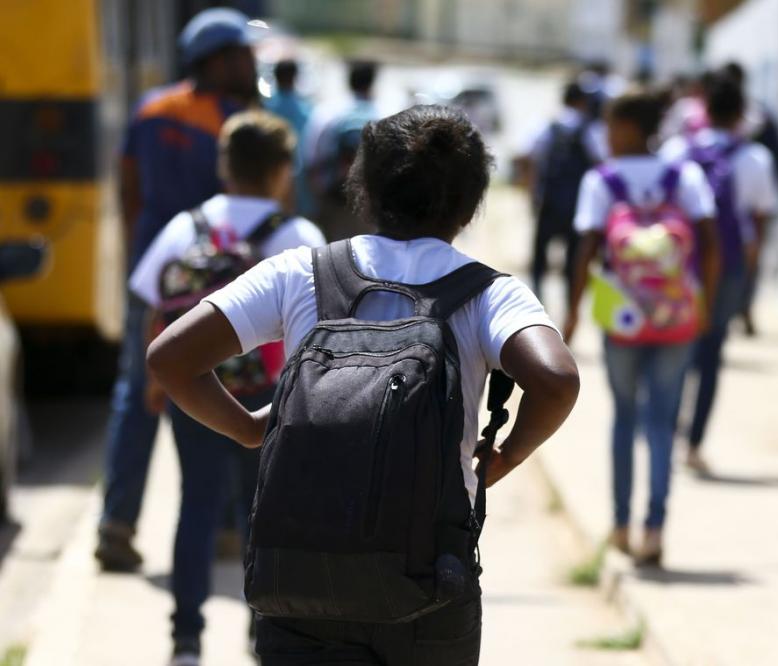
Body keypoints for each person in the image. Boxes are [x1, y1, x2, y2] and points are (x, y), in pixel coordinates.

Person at [145, 104, 579, 665]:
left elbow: (171, 358)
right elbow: (557, 379)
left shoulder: (299, 272)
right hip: (428, 585)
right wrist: (507, 455)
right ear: (471, 205)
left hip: (299, 583)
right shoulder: (489, 294)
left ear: (362, 187)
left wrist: (252, 429)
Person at [130, 111, 325, 666]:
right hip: (270, 399)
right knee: (261, 517)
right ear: (283, 170)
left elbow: (155, 307)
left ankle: (186, 639)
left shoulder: (184, 226)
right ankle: (261, 634)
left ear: (225, 166)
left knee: (195, 505)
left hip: (194, 392)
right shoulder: (296, 236)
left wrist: (155, 382)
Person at [95, 7, 258, 572]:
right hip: (210, 287)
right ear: (216, 60)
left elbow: (128, 191)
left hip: (151, 273)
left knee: (135, 397)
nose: (251, 63)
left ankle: (117, 522)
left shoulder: (150, 109)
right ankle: (224, 529)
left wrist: (137, 267)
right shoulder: (232, 120)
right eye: (242, 54)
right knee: (223, 396)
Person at [565, 91, 719, 566]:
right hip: (676, 315)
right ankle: (655, 528)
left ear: (631, 128)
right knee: (662, 421)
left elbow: (587, 250)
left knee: (625, 416)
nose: (607, 137)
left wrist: (571, 312)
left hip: (622, 317)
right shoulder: (684, 176)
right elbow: (711, 244)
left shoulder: (602, 180)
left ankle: (620, 525)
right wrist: (705, 305)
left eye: (612, 127)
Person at [660, 74, 778, 474]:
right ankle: (694, 443)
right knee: (711, 352)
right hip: (727, 265)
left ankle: (668, 431)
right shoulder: (756, 158)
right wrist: (749, 268)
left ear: (704, 110)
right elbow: (760, 220)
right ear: (741, 115)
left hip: (677, 264)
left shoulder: (677, 150)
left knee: (675, 348)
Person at [719, 61, 778, 336]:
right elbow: (777, 161)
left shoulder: (693, 130)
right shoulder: (763, 116)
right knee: (748, 267)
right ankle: (743, 308)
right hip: (747, 218)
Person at [525, 81, 605, 307]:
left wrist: (532, 193)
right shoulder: (590, 129)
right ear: (582, 101)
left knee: (540, 258)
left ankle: (536, 305)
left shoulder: (546, 125)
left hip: (548, 202)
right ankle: (571, 308)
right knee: (572, 260)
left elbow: (528, 157)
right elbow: (601, 163)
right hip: (577, 206)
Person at [306, 59, 381, 241]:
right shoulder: (382, 114)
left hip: (332, 197)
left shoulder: (326, 112)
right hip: (367, 202)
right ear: (372, 83)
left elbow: (310, 158)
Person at [264, 58, 314, 216]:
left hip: (267, 176)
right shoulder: (306, 110)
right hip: (299, 181)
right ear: (295, 77)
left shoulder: (264, 107)